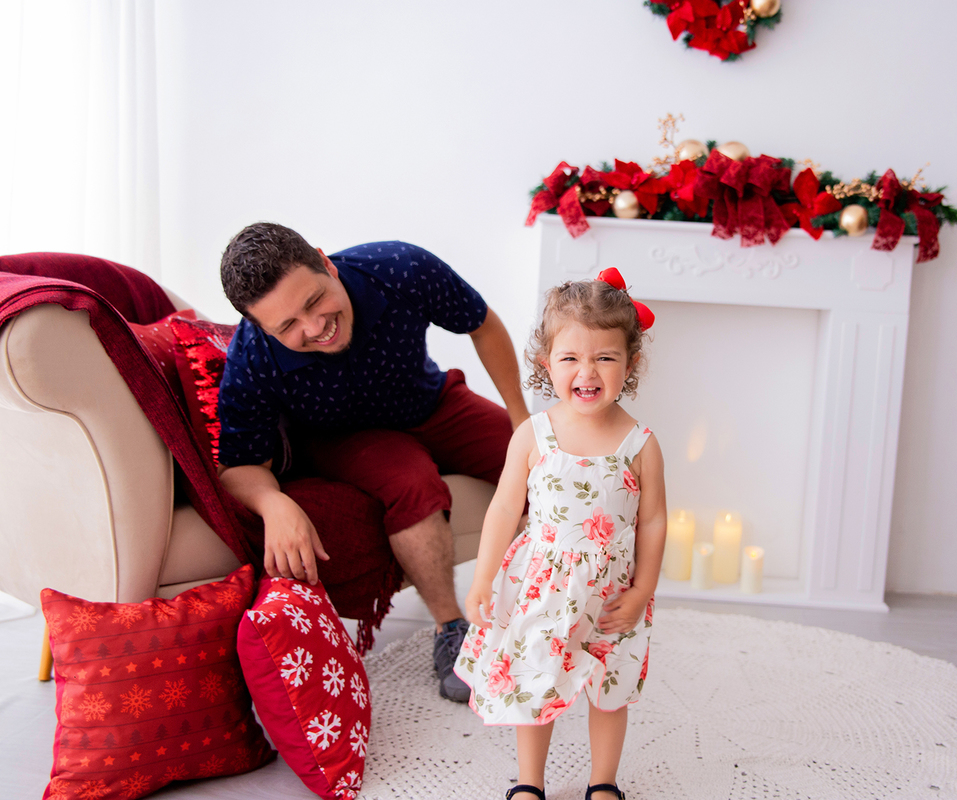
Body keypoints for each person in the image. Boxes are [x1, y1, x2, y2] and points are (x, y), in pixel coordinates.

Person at [215, 222, 529, 703]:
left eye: (314, 300)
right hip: (347, 438)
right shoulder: (251, 357)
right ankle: (451, 630)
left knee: (542, 458)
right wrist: (273, 503)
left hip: (431, 403)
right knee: (412, 485)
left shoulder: (399, 267)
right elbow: (238, 466)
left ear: (325, 261)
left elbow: (480, 323)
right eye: (287, 327)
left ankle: (574, 604)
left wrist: (522, 420)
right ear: (260, 328)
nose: (314, 326)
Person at [455, 269, 667, 800]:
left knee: (610, 689)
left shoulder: (640, 443)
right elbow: (505, 508)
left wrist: (641, 589)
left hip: (613, 592)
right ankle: (530, 783)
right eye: (570, 358)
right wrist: (483, 578)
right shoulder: (534, 434)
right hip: (542, 587)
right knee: (534, 683)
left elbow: (655, 519)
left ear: (630, 364)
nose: (586, 371)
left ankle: (603, 782)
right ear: (546, 362)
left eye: (604, 357)